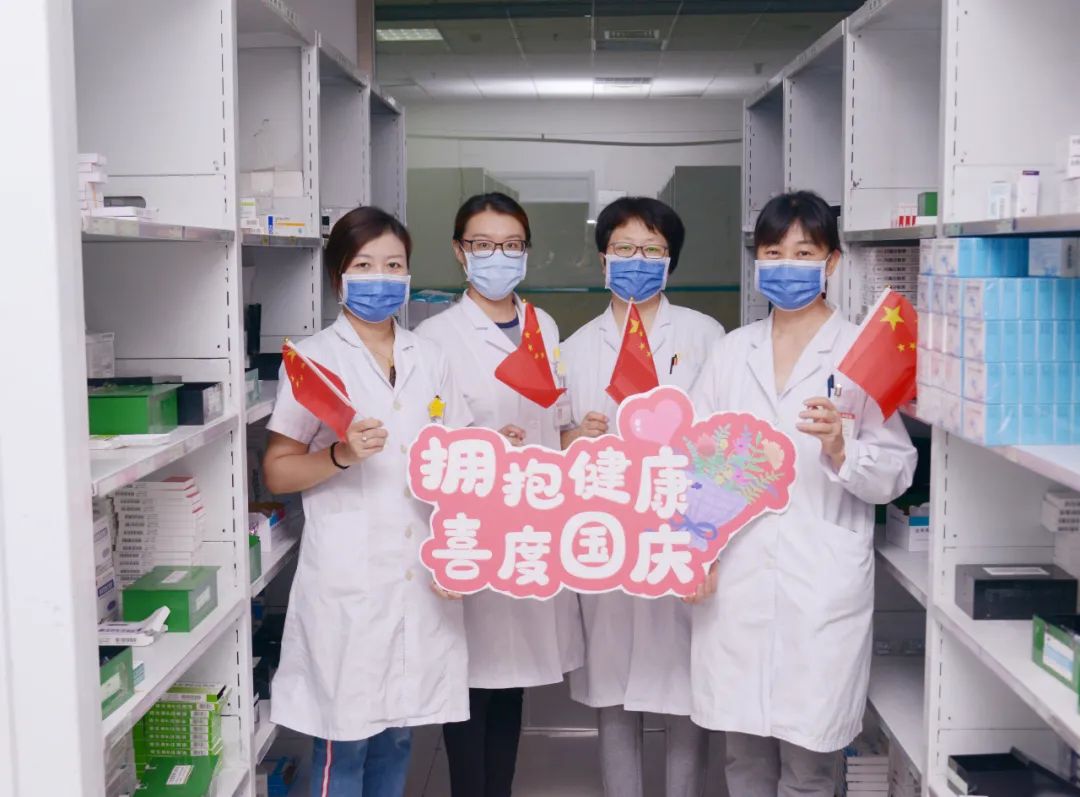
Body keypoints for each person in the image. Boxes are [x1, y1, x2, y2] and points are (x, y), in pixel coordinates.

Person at [687, 190, 917, 797]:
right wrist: (696, 549)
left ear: (832, 262)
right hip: (737, 575)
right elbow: (695, 462)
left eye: (804, 252)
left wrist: (842, 448)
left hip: (819, 577)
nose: (786, 265)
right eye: (772, 253)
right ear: (756, 261)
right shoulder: (731, 352)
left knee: (810, 766)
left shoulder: (859, 353)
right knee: (743, 756)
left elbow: (897, 471)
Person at [262, 207, 472, 797]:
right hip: (349, 580)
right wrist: (340, 455)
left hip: (420, 570)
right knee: (344, 740)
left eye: (394, 265)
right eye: (364, 265)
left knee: (399, 732)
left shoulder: (430, 357)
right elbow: (277, 470)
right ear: (339, 277)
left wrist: (458, 550)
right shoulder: (314, 360)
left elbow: (456, 462)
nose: (381, 277)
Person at [414, 192, 585, 797]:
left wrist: (579, 435)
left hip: (531, 523)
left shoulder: (544, 326)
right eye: (483, 245)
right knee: (470, 683)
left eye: (511, 245)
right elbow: (426, 441)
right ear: (459, 251)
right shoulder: (434, 337)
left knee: (513, 681)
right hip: (471, 523)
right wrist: (481, 445)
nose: (498, 256)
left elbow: (554, 421)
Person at [561, 196, 724, 797]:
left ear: (671, 259)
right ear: (602, 257)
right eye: (624, 248)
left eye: (652, 250)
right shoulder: (577, 347)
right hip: (606, 533)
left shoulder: (706, 336)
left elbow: (726, 440)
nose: (637, 260)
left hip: (682, 530)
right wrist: (576, 437)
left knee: (684, 690)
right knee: (613, 690)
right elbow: (554, 443)